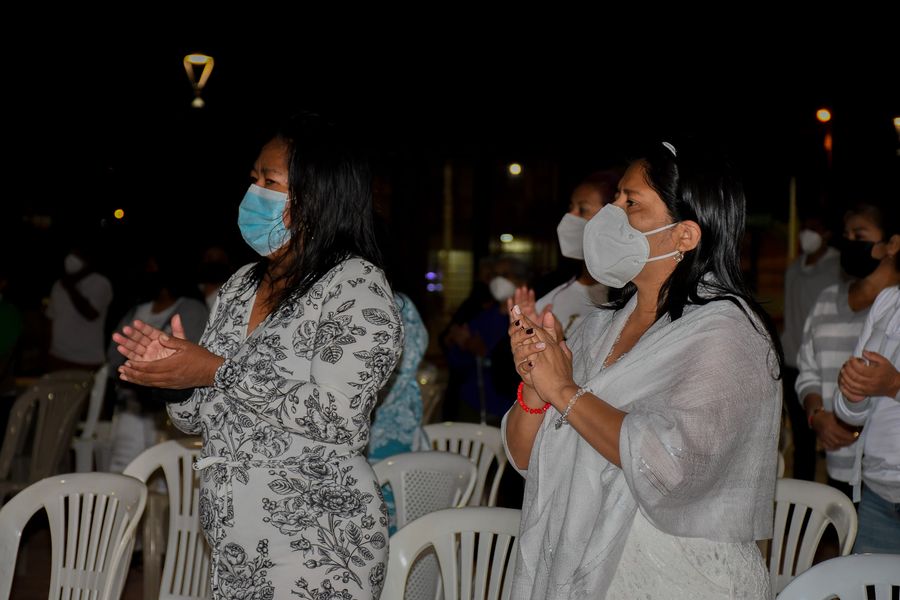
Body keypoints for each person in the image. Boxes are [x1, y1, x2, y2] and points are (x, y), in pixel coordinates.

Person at [112, 114, 403, 600]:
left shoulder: (356, 285)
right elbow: (199, 418)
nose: (254, 193)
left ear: (318, 194)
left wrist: (216, 370)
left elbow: (339, 418)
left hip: (319, 541)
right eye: (253, 179)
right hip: (235, 546)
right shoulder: (242, 284)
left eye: (271, 182)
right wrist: (177, 379)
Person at [503, 140, 783, 598]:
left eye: (630, 203)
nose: (608, 216)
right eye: (614, 198)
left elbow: (671, 466)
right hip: (584, 567)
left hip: (680, 577)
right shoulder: (600, 326)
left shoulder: (727, 333)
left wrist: (566, 392)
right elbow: (527, 457)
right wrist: (536, 383)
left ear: (685, 235)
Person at [796, 203, 897, 498]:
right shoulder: (826, 300)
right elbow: (808, 371)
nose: (850, 244)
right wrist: (817, 416)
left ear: (892, 244)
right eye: (846, 235)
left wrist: (854, 427)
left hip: (887, 472)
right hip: (837, 464)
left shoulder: (894, 311)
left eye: (860, 235)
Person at [833, 235, 900, 553]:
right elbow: (849, 412)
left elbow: (890, 384)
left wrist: (894, 385)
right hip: (877, 492)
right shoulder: (888, 301)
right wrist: (854, 391)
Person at [781, 214, 842, 480]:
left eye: (813, 228)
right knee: (802, 441)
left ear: (827, 233)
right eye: (804, 227)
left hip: (828, 370)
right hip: (794, 364)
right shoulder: (794, 269)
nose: (806, 233)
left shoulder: (838, 269)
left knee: (836, 443)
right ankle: (803, 497)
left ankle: (837, 498)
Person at [532, 172, 617, 338]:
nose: (570, 216)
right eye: (571, 207)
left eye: (582, 209)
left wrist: (558, 344)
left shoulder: (627, 294)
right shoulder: (547, 287)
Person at [47, 245, 113, 370]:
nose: (70, 259)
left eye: (76, 255)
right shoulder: (58, 285)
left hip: (87, 360)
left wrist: (71, 287)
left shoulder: (101, 283)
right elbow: (51, 319)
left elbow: (90, 314)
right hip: (57, 357)